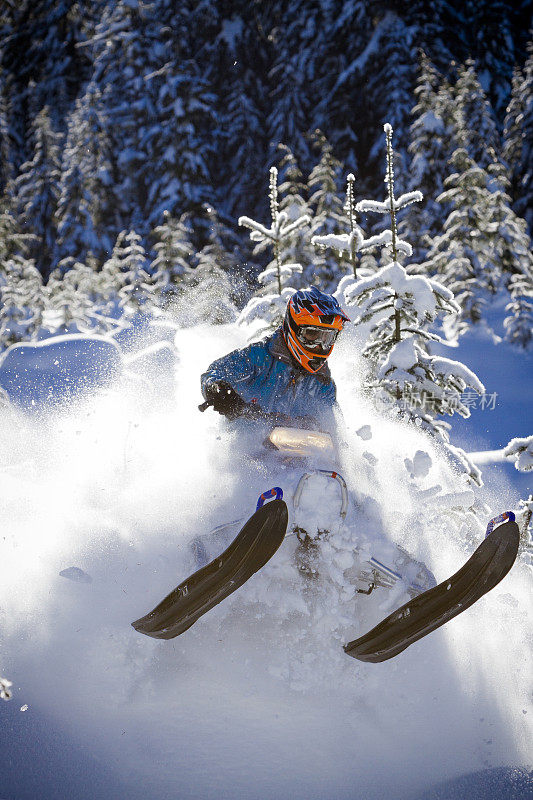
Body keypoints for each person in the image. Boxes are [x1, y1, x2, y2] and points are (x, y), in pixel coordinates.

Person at [200, 286, 349, 434]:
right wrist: (217, 389)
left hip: (302, 453)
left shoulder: (323, 383)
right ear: (293, 327)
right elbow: (215, 371)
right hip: (244, 447)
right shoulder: (258, 356)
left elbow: (334, 430)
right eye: (311, 334)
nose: (319, 345)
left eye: (326, 337)